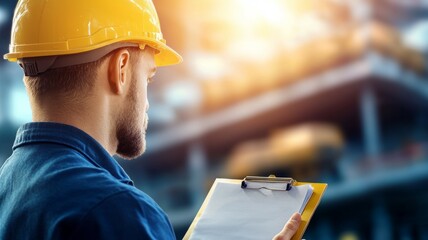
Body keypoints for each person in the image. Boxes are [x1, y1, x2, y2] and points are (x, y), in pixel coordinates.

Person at [0, 0, 301, 239]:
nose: (146, 101)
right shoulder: (116, 209)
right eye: (149, 77)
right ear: (120, 69)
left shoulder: (8, 188)